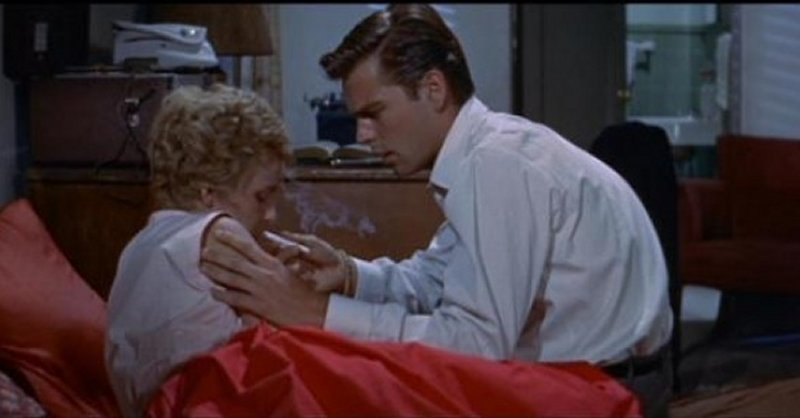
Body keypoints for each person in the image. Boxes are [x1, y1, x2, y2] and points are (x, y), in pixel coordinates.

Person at [200, 4, 674, 416]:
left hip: (603, 392)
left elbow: (477, 344)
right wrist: (348, 275)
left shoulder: (498, 163)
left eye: (374, 114)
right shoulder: (482, 153)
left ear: (433, 89)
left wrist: (318, 313)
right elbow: (437, 279)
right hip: (585, 377)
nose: (363, 135)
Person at [105, 83, 296, 417]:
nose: (271, 215)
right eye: (261, 197)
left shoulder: (141, 243)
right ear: (208, 193)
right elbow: (265, 342)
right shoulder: (220, 232)